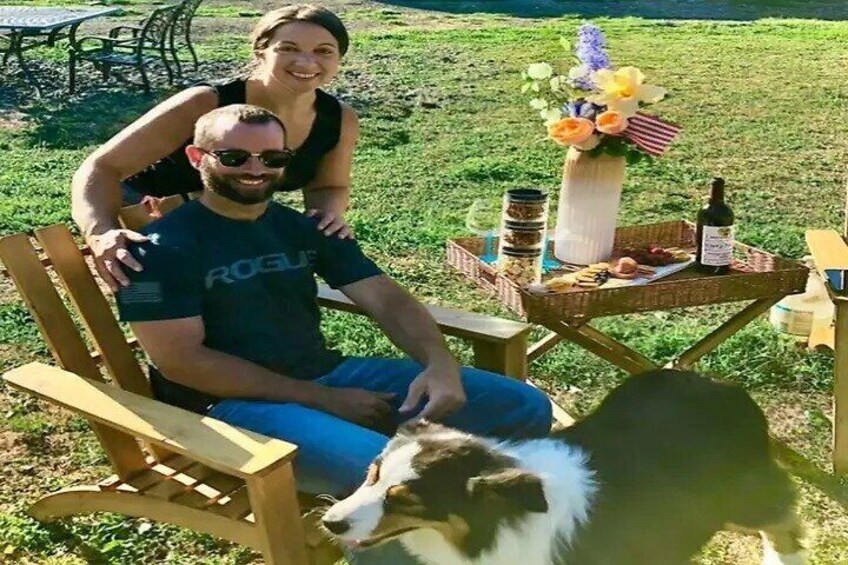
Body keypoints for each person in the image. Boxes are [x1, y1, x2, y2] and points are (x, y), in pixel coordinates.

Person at [115, 104, 553, 564]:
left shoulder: (302, 227)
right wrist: (320, 398)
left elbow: (386, 298)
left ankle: (489, 541)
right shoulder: (157, 251)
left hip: (325, 373)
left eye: (273, 158)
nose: (255, 169)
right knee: (381, 480)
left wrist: (439, 363)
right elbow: (181, 362)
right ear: (195, 157)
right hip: (224, 409)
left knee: (523, 406)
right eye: (234, 157)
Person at [72, 4, 357, 292]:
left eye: (323, 51)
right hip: (145, 214)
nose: (306, 62)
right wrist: (101, 232)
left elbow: (329, 186)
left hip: (221, 217)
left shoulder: (338, 118)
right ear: (261, 51)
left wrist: (327, 215)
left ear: (339, 58)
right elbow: (101, 168)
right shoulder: (205, 102)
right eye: (288, 48)